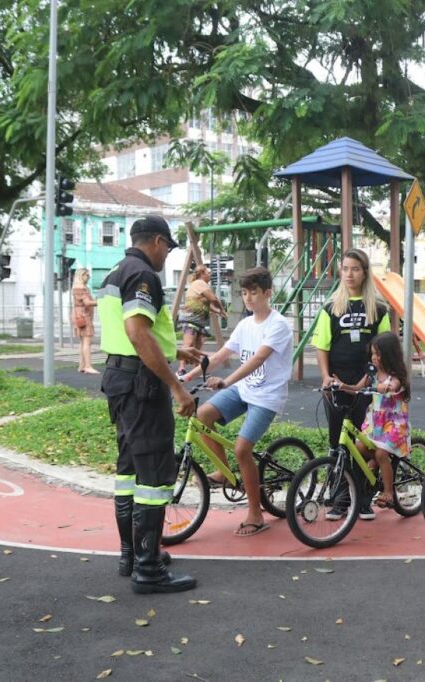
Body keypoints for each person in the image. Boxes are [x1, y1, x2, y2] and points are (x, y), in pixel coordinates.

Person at [97, 215, 200, 594]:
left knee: (129, 470)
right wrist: (176, 387)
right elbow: (137, 332)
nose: (167, 255)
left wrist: (175, 349)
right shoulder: (143, 275)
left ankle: (131, 555)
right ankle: (149, 569)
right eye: (168, 248)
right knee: (154, 476)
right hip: (142, 386)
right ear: (157, 241)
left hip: (119, 379)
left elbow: (135, 331)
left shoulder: (115, 272)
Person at [185, 267, 293, 537]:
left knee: (242, 449)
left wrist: (226, 381)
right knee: (203, 416)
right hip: (244, 390)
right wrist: (187, 376)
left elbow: (258, 358)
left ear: (267, 293)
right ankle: (223, 471)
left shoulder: (278, 325)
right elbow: (220, 355)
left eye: (253, 293)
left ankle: (256, 514)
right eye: (244, 293)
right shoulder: (245, 325)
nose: (248, 298)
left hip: (266, 397)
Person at [311, 248, 391, 520]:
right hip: (337, 384)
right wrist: (326, 377)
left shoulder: (379, 309)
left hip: (367, 385)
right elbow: (322, 347)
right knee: (338, 442)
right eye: (345, 268)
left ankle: (364, 499)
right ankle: (341, 500)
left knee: (363, 443)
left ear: (365, 273)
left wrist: (369, 378)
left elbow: (384, 349)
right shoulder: (330, 308)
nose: (349, 274)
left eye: (355, 269)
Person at [350, 331, 411, 510]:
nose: (373, 358)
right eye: (372, 354)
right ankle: (377, 462)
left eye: (377, 354)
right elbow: (356, 388)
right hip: (376, 423)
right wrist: (340, 386)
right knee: (359, 446)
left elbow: (394, 386)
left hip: (393, 424)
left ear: (389, 355)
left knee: (381, 454)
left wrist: (385, 387)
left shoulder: (395, 376)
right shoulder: (372, 373)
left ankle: (388, 492)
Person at [177, 265, 226, 378]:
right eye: (208, 272)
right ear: (202, 274)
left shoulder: (201, 285)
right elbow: (213, 299)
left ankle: (197, 369)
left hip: (199, 321)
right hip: (191, 319)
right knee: (188, 344)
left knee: (198, 346)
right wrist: (222, 309)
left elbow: (207, 304)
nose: (209, 274)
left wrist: (218, 311)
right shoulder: (200, 283)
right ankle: (181, 369)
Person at [72, 268, 99, 374]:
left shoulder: (77, 287)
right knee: (87, 342)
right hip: (84, 316)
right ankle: (88, 366)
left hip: (79, 315)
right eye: (87, 275)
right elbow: (87, 302)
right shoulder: (81, 288)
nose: (89, 277)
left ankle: (82, 365)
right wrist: (101, 301)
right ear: (81, 275)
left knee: (83, 342)